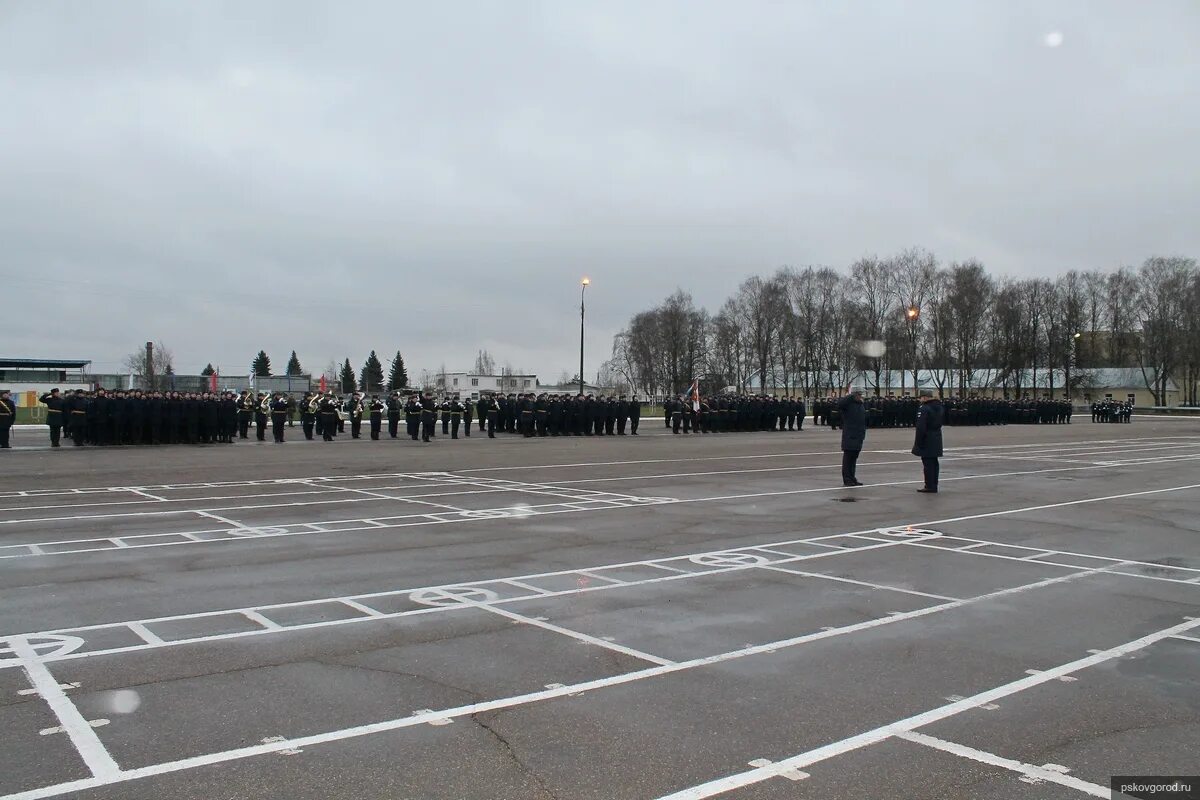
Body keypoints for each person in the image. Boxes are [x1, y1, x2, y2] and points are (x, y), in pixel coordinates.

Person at [913, 389, 944, 493]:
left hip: (927, 439)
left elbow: (921, 427)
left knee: (928, 464)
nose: (920, 399)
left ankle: (929, 485)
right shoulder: (938, 407)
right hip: (936, 437)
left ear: (925, 397)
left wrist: (918, 442)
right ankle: (934, 484)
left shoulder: (924, 408)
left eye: (921, 397)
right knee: (934, 463)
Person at [837, 387, 867, 486]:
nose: (861, 397)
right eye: (859, 395)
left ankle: (852, 477)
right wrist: (850, 396)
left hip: (858, 435)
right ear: (854, 395)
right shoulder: (848, 404)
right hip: (850, 435)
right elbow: (840, 404)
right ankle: (847, 479)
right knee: (848, 459)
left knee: (854, 459)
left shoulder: (860, 405)